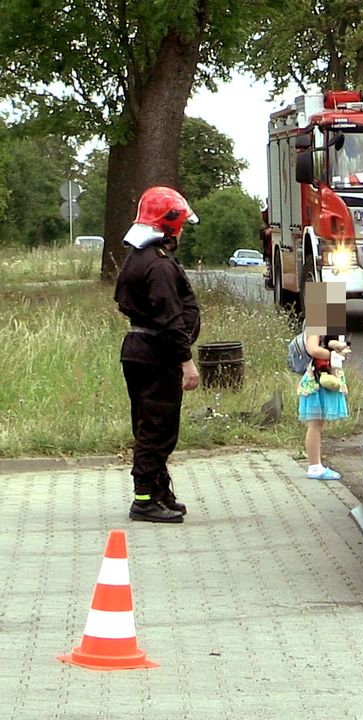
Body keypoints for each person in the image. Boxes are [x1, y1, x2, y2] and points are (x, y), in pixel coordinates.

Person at [114, 186, 201, 524]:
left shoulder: (137, 257)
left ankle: (159, 491)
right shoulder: (159, 265)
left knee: (149, 426)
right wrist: (186, 361)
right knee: (158, 430)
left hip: (138, 350)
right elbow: (170, 317)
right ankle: (145, 499)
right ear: (170, 225)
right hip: (156, 355)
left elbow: (124, 301)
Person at [297, 282, 350, 480]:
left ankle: (316, 463)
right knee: (315, 423)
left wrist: (338, 347)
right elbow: (313, 349)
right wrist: (332, 355)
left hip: (321, 378)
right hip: (316, 380)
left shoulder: (324, 325)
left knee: (317, 423)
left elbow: (326, 342)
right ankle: (314, 466)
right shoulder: (315, 324)